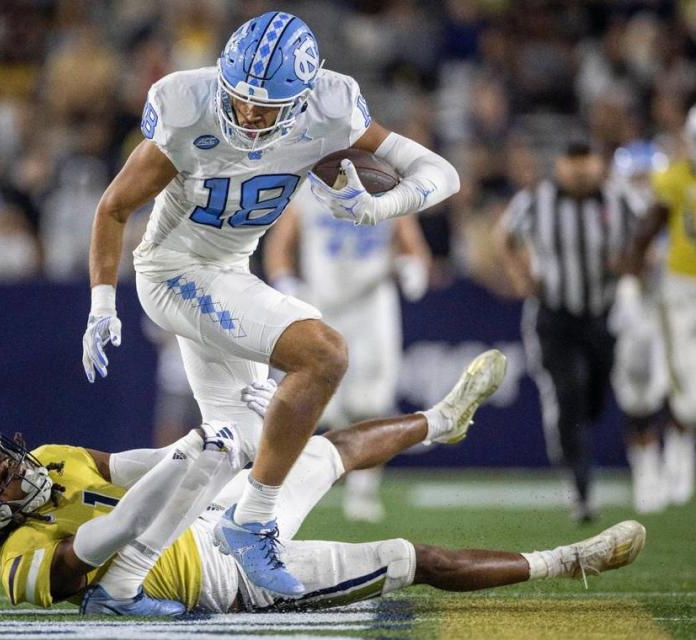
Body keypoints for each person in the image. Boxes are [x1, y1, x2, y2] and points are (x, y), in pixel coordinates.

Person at [82, 11, 460, 600]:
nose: (251, 114)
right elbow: (112, 207)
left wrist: (381, 208)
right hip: (173, 271)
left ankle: (116, 561)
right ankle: (252, 521)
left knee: (240, 444)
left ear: (306, 97)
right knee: (325, 354)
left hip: (230, 269)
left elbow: (441, 174)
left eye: (268, 105)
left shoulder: (332, 108)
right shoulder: (186, 104)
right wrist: (102, 304)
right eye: (240, 98)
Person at [0, 350, 646, 616]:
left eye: (1, 458)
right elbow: (107, 539)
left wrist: (201, 454)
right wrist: (184, 465)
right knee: (412, 557)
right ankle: (566, 562)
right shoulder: (18, 565)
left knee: (321, 451)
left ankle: (442, 417)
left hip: (211, 522)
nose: (15, 470)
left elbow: (124, 470)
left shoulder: (49, 458)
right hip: (230, 580)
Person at [495, 142, 644, 523]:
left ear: (598, 165)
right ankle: (580, 490)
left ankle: (577, 472)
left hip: (603, 317)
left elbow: (648, 237)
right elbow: (504, 237)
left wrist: (631, 263)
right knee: (568, 394)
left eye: (586, 165)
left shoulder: (619, 199)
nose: (580, 173)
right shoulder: (536, 200)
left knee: (594, 400)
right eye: (572, 165)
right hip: (555, 317)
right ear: (559, 167)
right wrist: (521, 276)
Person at [264, 184, 432, 522]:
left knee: (371, 403)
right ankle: (270, 485)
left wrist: (412, 267)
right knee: (303, 401)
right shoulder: (308, 192)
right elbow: (280, 245)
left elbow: (412, 245)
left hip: (372, 304)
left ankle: (363, 490)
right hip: (321, 303)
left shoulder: (388, 191)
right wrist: (284, 281)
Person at [618, 106, 696, 508]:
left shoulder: (674, 184)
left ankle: (676, 460)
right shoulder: (672, 180)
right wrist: (628, 284)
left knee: (683, 386)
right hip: (657, 296)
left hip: (671, 294)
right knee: (645, 385)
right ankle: (652, 466)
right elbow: (637, 238)